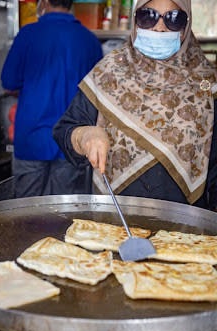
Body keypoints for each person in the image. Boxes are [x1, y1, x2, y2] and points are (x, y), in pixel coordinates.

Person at [53, 0, 217, 210]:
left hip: (183, 227)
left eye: (173, 19)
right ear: (135, 22)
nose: (159, 27)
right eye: (148, 16)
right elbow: (65, 129)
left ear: (185, 28)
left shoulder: (206, 84)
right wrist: (84, 136)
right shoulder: (109, 72)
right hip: (115, 219)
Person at [1, 0, 103, 198]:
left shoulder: (27, 35)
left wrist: (33, 88)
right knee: (63, 213)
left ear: (44, 2)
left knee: (24, 210)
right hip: (72, 141)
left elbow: (9, 85)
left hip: (32, 138)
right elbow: (98, 95)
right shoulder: (90, 40)